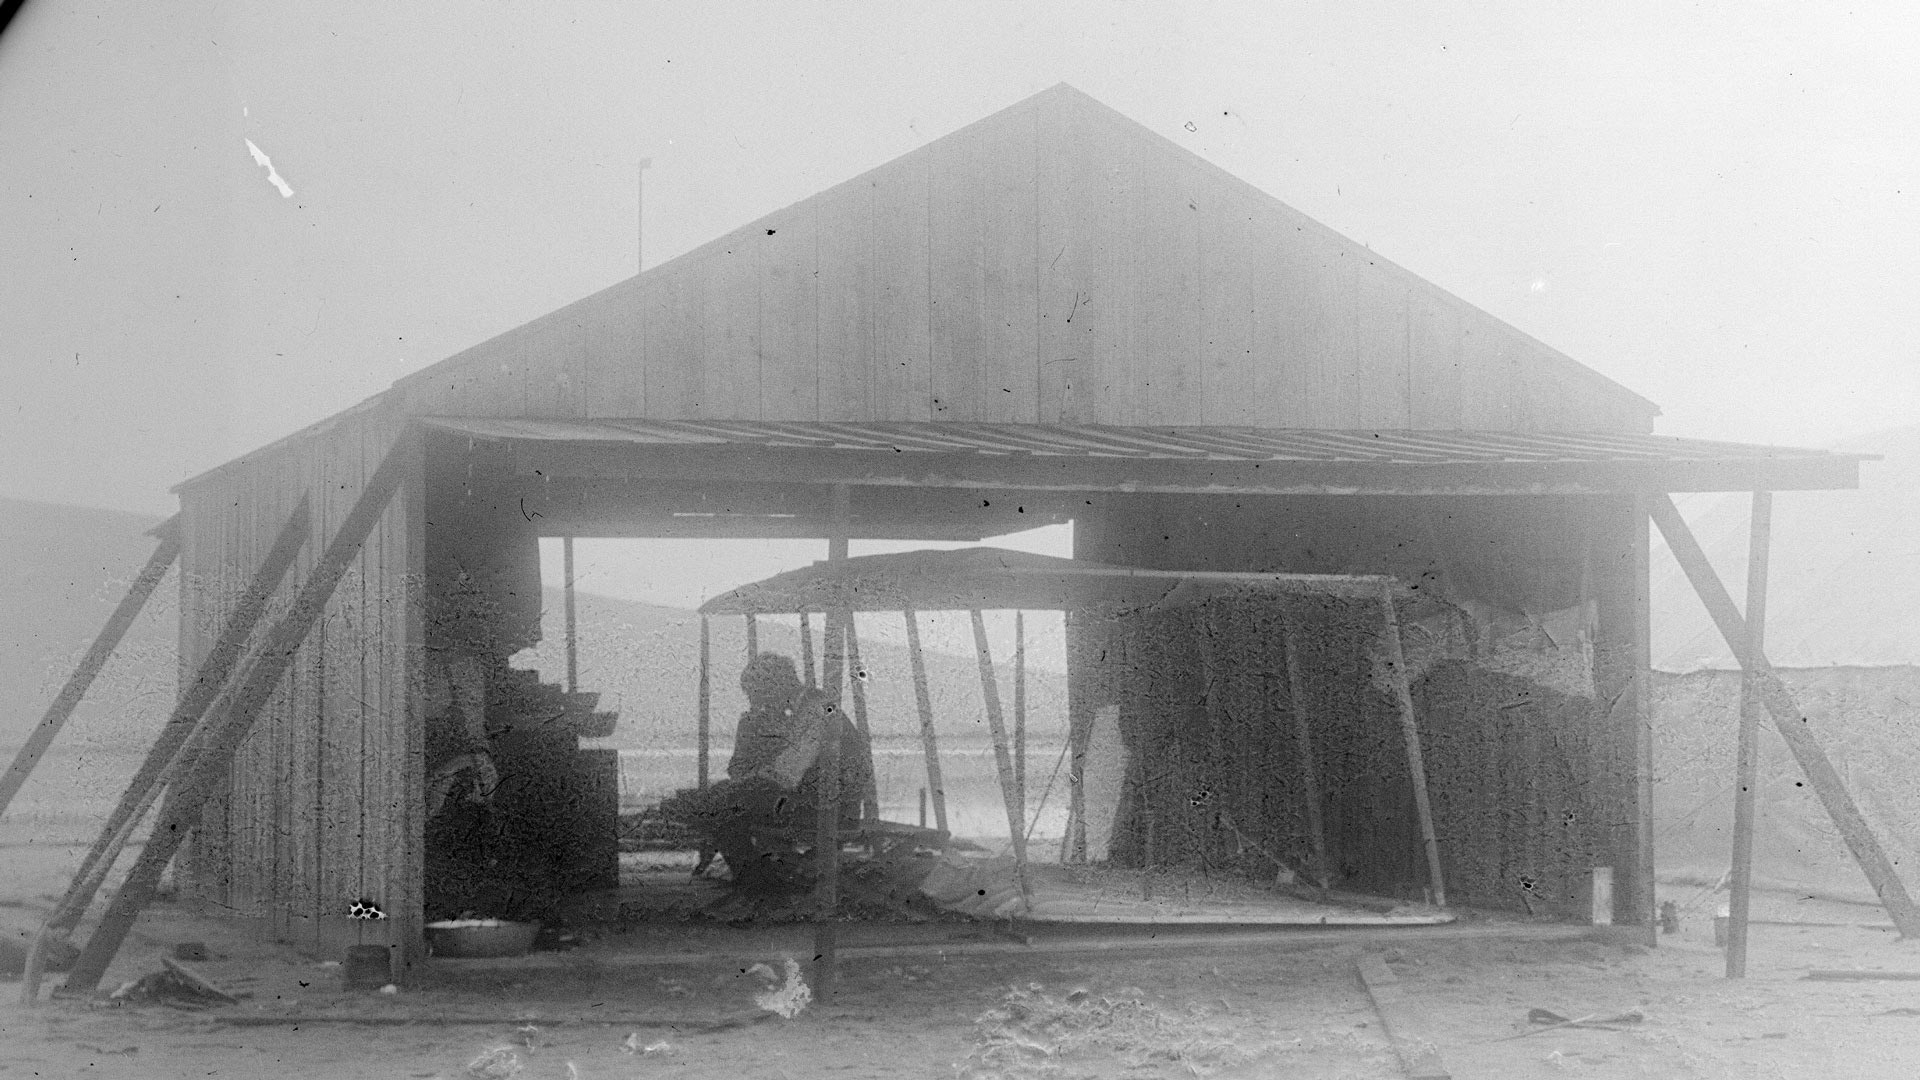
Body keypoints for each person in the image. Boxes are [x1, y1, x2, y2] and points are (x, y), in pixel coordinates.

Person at [661, 653, 872, 891]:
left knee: (721, 809)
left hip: (828, 808)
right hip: (819, 800)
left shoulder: (818, 710)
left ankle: (759, 881)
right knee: (722, 804)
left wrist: (737, 787)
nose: (756, 704)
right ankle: (757, 877)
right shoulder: (809, 707)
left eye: (757, 696)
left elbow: (786, 774)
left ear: (774, 687)